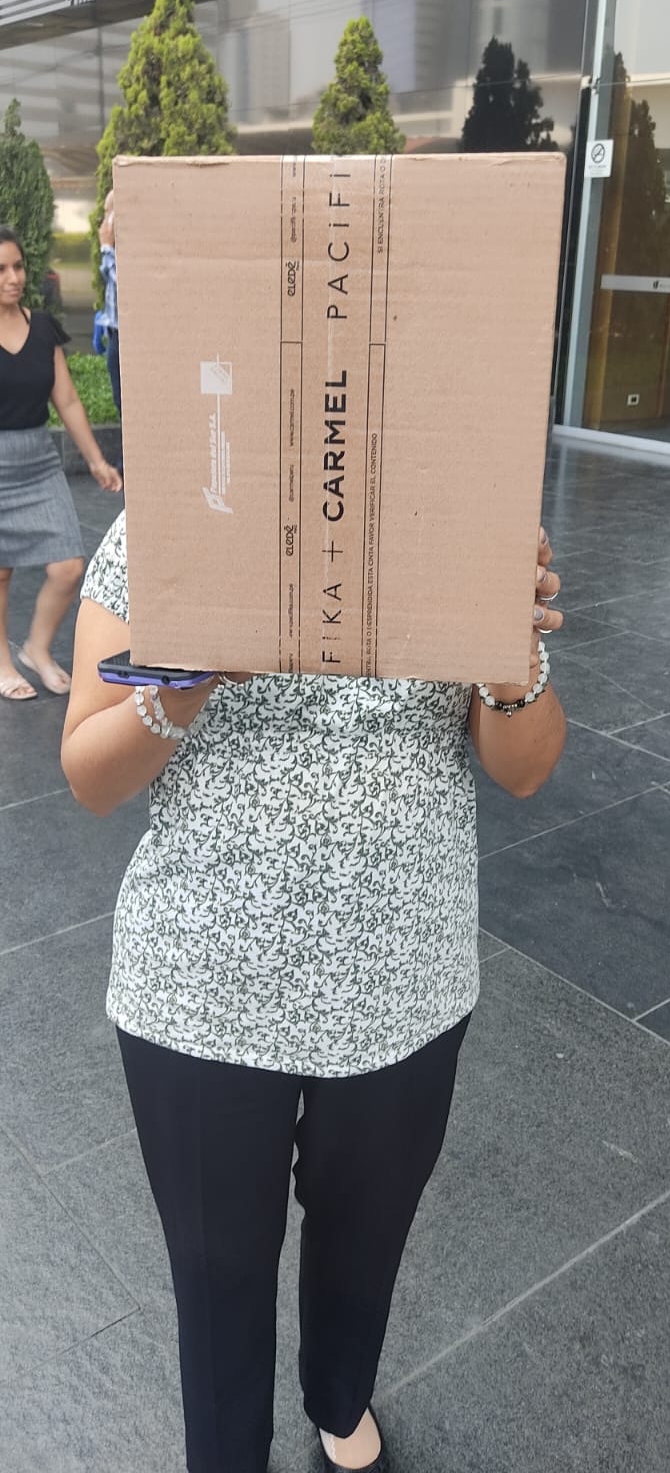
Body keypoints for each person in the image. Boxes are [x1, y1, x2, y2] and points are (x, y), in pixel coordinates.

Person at [61, 511, 565, 1473]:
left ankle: (338, 1393)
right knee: (216, 1266)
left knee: (366, 1237)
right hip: (203, 990)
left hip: (404, 981)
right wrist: (194, 674)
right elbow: (90, 775)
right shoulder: (174, 514)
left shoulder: (453, 515)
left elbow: (529, 768)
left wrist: (508, 658)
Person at [0, 227, 122, 701]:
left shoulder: (43, 326)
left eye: (18, 266)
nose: (13, 278)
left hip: (38, 462)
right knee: (1, 572)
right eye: (1, 270)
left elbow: (66, 398)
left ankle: (37, 648)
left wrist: (96, 461)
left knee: (69, 565)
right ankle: (3, 663)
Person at [98, 189, 121, 418]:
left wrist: (106, 248)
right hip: (115, 333)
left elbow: (121, 284)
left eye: (107, 214)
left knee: (126, 403)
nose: (104, 223)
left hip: (124, 338)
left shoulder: (116, 251)